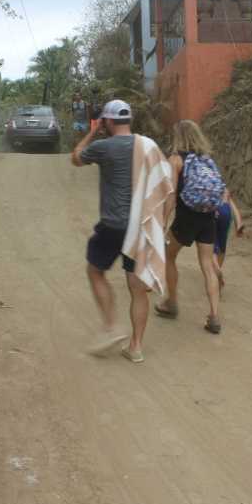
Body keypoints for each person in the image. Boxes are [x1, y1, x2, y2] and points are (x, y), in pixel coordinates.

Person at [72, 100, 170, 363]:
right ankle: (136, 347)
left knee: (94, 271)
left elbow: (76, 158)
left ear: (108, 121)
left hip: (113, 225)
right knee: (137, 288)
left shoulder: (102, 147)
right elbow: (164, 183)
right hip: (141, 226)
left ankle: (112, 326)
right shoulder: (149, 146)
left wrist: (92, 132)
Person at [155, 120, 225, 334]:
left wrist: (163, 221)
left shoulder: (176, 160)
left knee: (169, 256)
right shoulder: (207, 160)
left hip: (186, 219)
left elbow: (171, 195)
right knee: (207, 265)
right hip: (208, 218)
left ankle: (172, 302)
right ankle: (214, 316)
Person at [213, 189, 244, 293]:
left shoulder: (209, 183)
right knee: (222, 247)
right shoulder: (225, 189)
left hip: (214, 209)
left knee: (210, 246)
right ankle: (218, 271)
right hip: (226, 212)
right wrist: (239, 224)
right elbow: (234, 209)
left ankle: (217, 270)